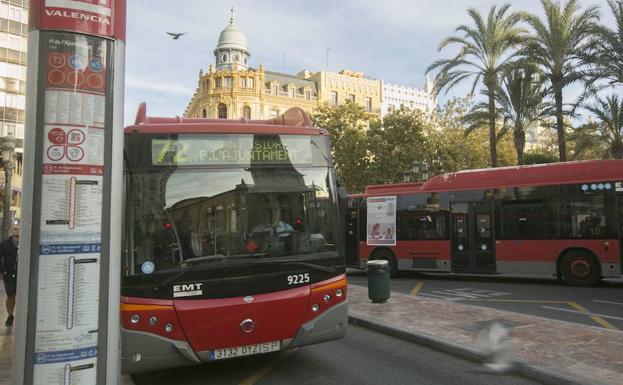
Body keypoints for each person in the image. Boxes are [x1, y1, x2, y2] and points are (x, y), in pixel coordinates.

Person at [0, 224, 19, 327]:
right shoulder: (4, 244)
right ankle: (10, 315)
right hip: (9, 274)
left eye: (19, 229)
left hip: (23, 274)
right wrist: (3, 271)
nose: (17, 231)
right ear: (12, 231)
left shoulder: (27, 243)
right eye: (15, 229)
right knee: (11, 296)